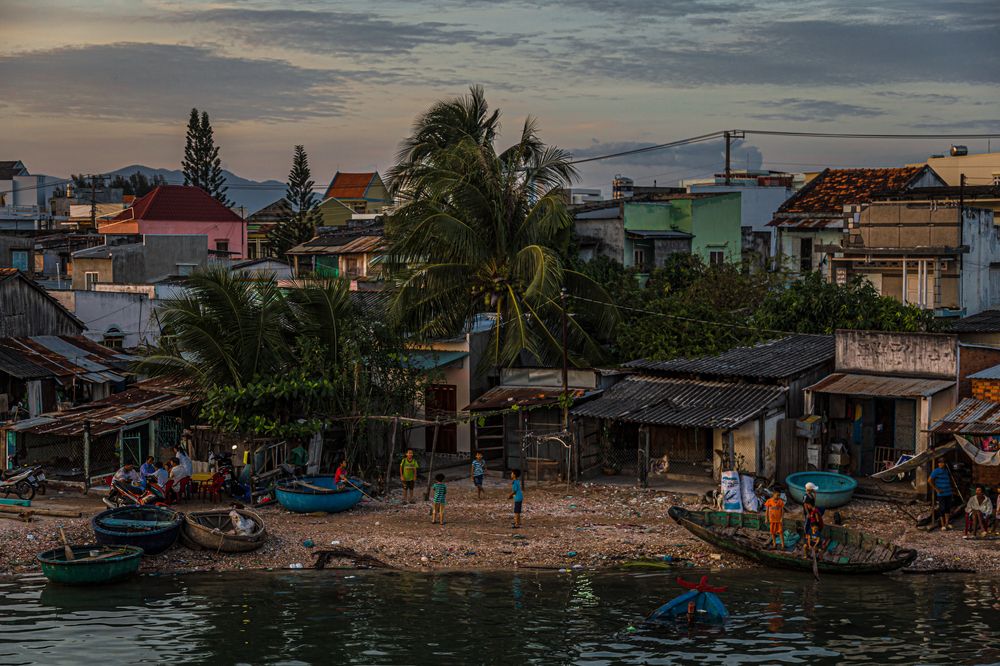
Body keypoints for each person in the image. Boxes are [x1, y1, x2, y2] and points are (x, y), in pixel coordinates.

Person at [929, 459, 954, 530]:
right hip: (941, 494)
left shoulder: (946, 470)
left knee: (947, 508)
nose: (941, 464)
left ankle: (946, 524)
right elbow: (929, 480)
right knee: (942, 509)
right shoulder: (936, 471)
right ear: (938, 464)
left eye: (942, 463)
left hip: (948, 492)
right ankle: (942, 525)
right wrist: (936, 489)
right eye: (940, 463)